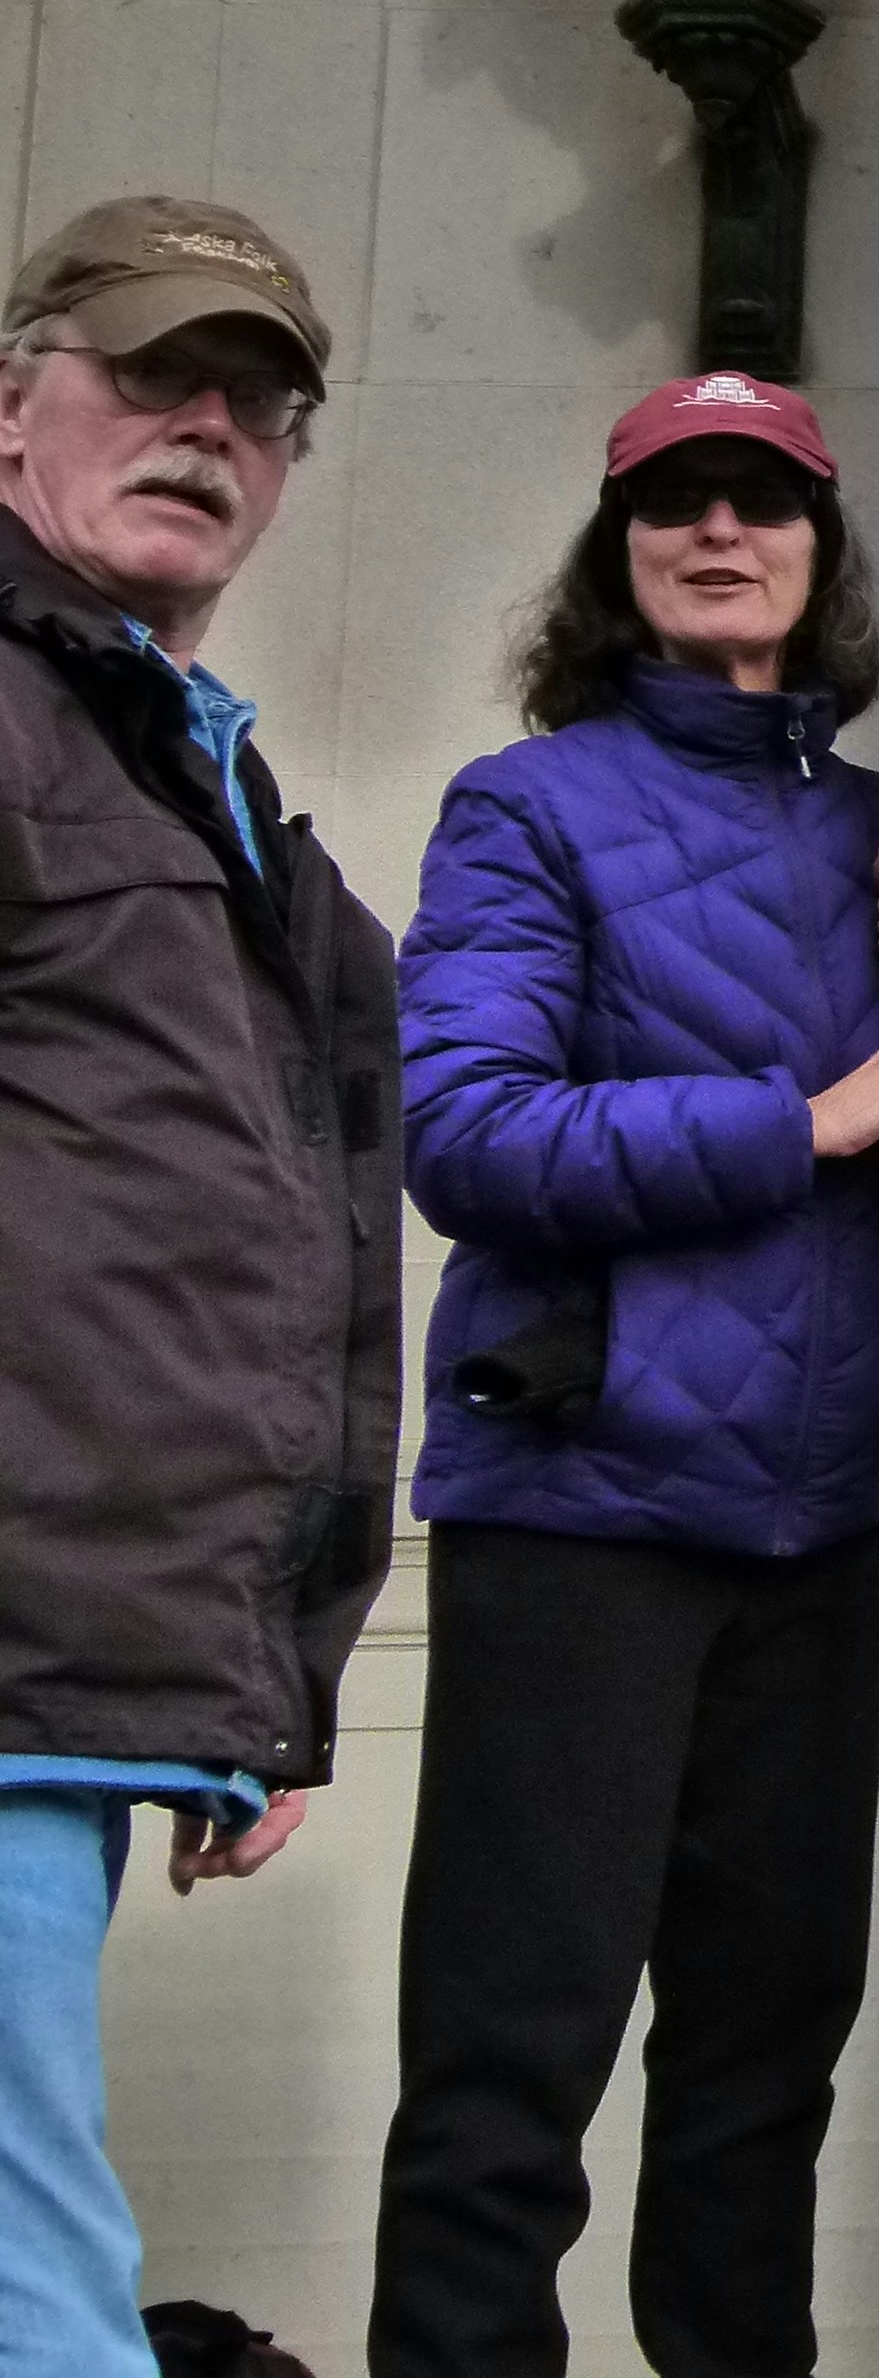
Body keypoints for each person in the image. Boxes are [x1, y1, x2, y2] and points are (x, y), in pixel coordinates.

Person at [368, 370, 879, 2376]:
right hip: (587, 1512)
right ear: (616, 564)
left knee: (759, 2081)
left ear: (821, 559)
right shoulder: (526, 810)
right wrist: (799, 1119)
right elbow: (467, 1134)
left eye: (765, 504)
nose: (722, 533)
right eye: (676, 506)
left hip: (823, 1523)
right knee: (506, 2073)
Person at [0, 199, 399, 2370]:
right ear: (9, 412)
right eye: (153, 374)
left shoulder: (201, 771)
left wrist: (257, 1674)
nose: (208, 427)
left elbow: (281, 1237)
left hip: (75, 1659)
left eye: (257, 401)